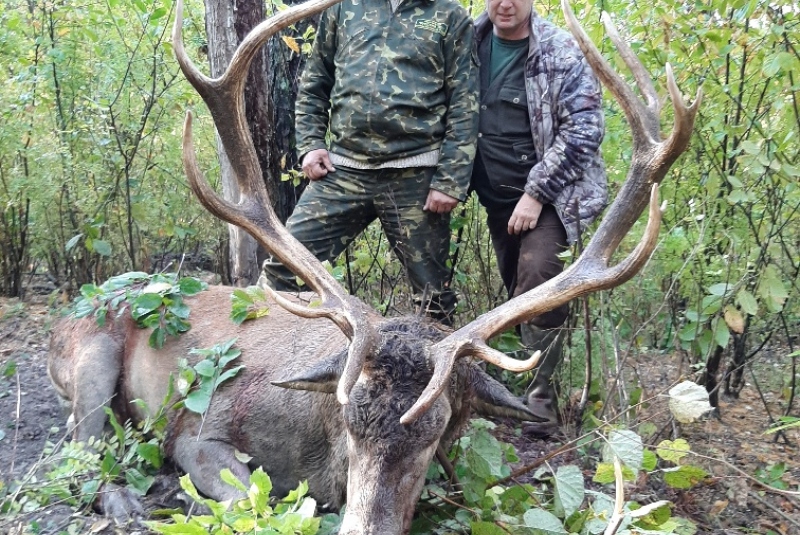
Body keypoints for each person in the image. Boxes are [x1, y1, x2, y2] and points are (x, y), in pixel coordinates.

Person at [262, 0, 479, 326]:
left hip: (415, 177)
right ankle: (275, 364)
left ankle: (435, 375)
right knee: (283, 269)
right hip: (344, 171)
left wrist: (451, 180)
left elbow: (466, 102)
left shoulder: (449, 16)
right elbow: (315, 82)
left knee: (432, 302)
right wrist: (310, 145)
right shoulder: (344, 7)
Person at [472, 0, 608, 435]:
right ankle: (508, 384)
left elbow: (585, 128)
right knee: (516, 287)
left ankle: (541, 399)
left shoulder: (560, 52)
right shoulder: (466, 43)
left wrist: (536, 192)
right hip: (496, 197)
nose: (505, 3)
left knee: (539, 277)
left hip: (550, 199)